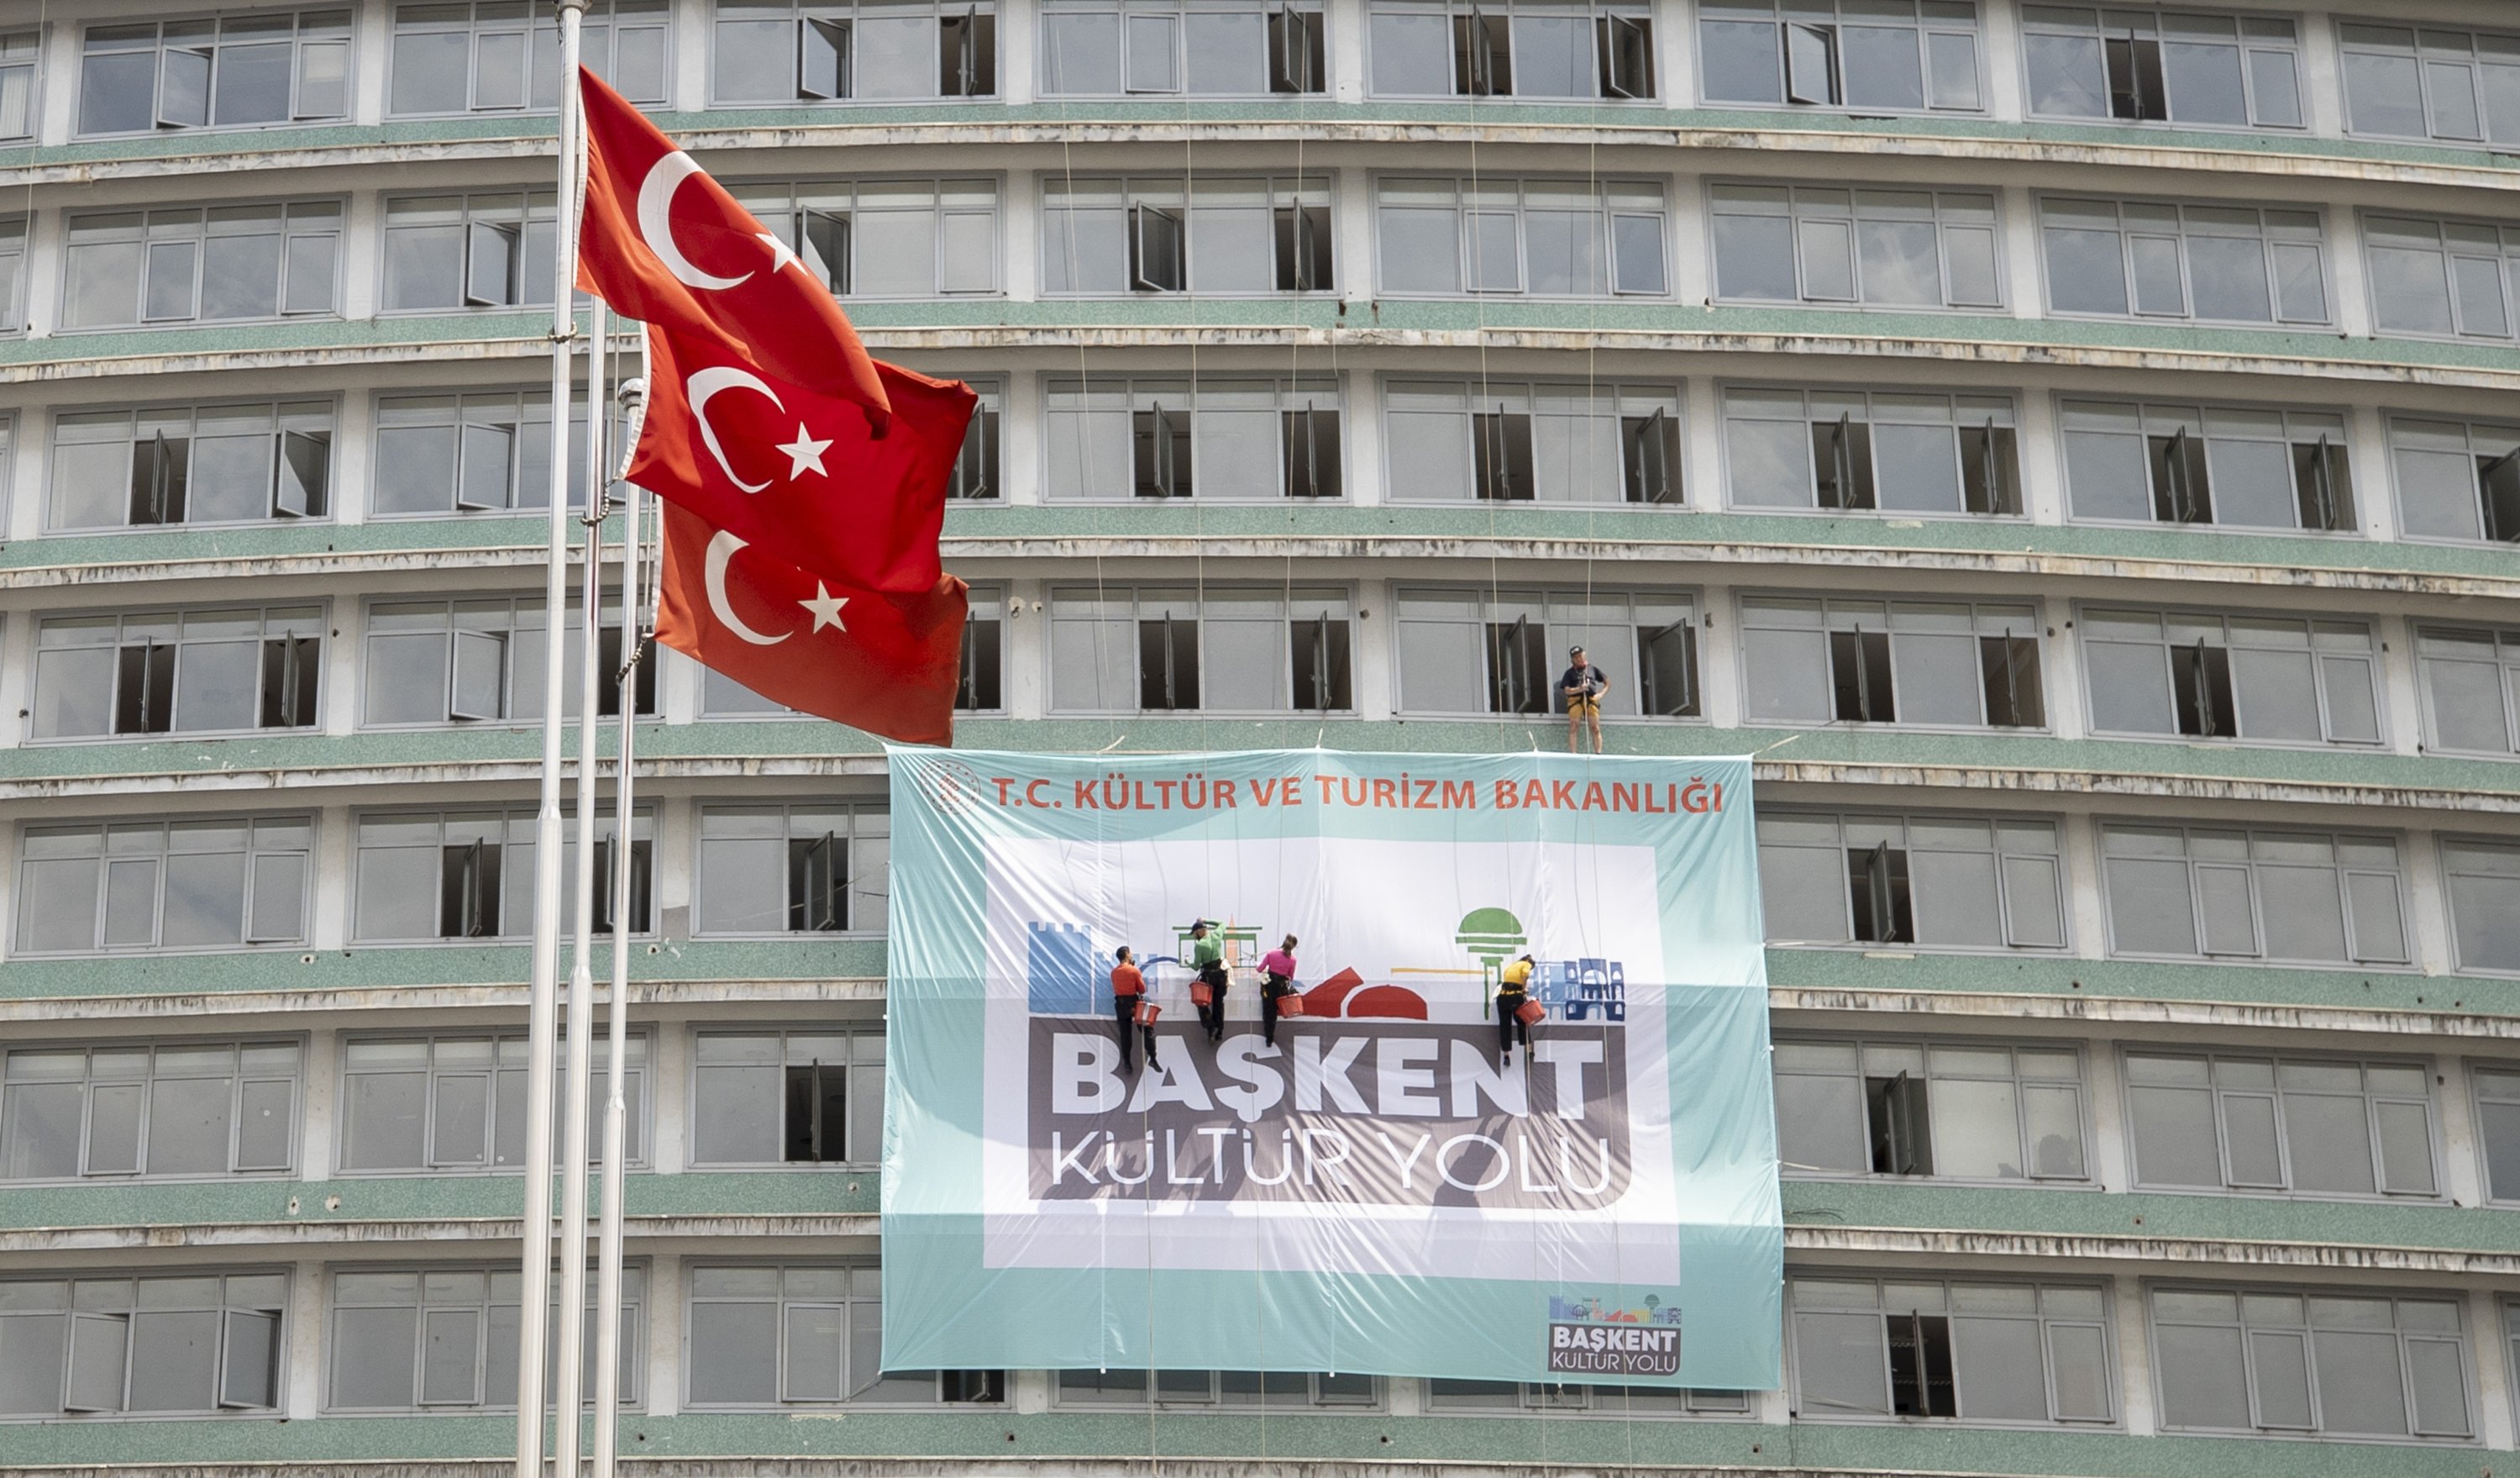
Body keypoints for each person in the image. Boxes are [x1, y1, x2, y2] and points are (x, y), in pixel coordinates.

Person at [1110, 946, 1158, 1073]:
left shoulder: (1114, 972)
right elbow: (1142, 989)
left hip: (1120, 1004)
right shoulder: (1134, 970)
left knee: (1125, 1034)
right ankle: (1152, 1056)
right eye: (1130, 953)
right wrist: (1133, 969)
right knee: (1147, 1029)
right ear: (1126, 954)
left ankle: (1127, 1063)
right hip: (1133, 1003)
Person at [1562, 646, 1610, 755]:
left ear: (1584, 655)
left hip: (1591, 699)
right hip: (1575, 699)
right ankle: (1573, 753)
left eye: (1580, 656)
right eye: (1575, 657)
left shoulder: (1592, 669)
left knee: (1595, 727)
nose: (1578, 659)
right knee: (1574, 726)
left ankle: (1598, 753)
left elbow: (1607, 682)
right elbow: (1567, 690)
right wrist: (1580, 689)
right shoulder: (1569, 673)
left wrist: (1601, 694)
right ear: (1572, 660)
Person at [1189, 920, 1229, 1043]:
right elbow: (1222, 924)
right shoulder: (1217, 935)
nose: (1195, 936)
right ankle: (1220, 1031)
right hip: (1221, 975)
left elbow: (1196, 966)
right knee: (1218, 1003)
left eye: (1195, 933)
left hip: (1208, 977)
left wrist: (1187, 961)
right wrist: (1205, 920)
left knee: (1201, 1003)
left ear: (1200, 931)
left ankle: (1211, 1027)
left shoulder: (1200, 945)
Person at [1257, 934, 1300, 1048]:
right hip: (1281, 989)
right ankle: (1270, 1037)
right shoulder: (1293, 960)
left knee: (1268, 1012)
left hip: (1269, 985)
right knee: (1274, 1013)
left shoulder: (1271, 953)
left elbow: (1259, 969)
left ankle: (1268, 1038)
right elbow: (1290, 976)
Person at [1496, 953, 1537, 1065]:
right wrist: (1523, 989)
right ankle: (1529, 1050)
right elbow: (1525, 974)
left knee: (1505, 1026)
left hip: (1502, 997)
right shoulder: (1526, 964)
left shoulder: (1512, 966)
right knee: (1522, 1022)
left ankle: (1506, 1056)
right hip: (1514, 997)